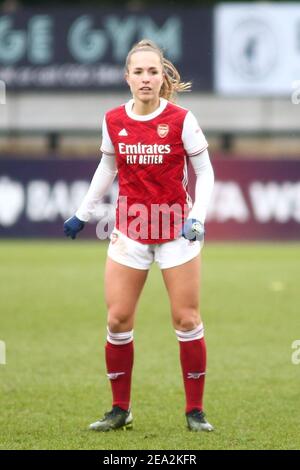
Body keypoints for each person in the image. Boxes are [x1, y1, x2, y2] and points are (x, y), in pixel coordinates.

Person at [64, 39, 215, 432]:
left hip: (176, 232)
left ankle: (195, 412)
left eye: (153, 72)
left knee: (186, 320)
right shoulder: (113, 119)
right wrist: (83, 214)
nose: (146, 79)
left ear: (162, 76)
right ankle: (120, 410)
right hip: (129, 232)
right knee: (116, 320)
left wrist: (197, 217)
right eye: (138, 72)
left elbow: (207, 173)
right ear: (127, 77)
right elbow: (107, 167)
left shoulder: (182, 119)